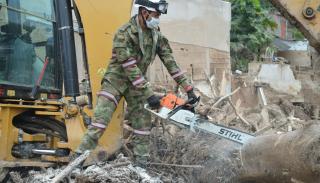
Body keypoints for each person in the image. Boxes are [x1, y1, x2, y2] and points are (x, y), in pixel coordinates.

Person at [74, 0, 197, 164]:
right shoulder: (123, 33)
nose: (157, 18)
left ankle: (142, 166)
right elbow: (129, 66)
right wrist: (149, 94)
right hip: (115, 81)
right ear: (144, 12)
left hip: (137, 86)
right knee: (100, 123)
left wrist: (188, 88)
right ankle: (75, 161)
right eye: (156, 14)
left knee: (142, 126)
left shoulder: (156, 37)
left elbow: (170, 63)